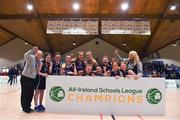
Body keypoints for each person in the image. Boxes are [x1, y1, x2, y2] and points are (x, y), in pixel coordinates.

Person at [20, 46, 43, 113]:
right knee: (25, 93)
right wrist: (32, 50)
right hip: (25, 78)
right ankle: (25, 108)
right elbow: (25, 55)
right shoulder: (31, 58)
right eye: (38, 54)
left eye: (40, 55)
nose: (39, 56)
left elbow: (36, 70)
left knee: (30, 94)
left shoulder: (38, 62)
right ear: (36, 54)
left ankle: (28, 107)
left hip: (32, 79)